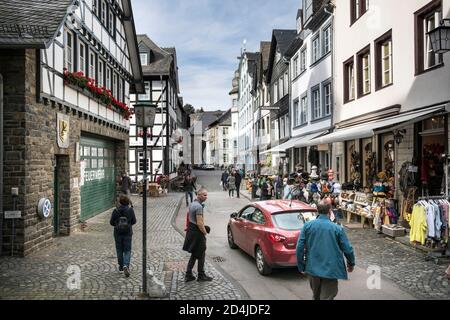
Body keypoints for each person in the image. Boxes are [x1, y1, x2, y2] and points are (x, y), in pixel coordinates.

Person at [296, 200, 355, 300]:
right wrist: (351, 263)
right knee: (327, 297)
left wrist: (301, 266)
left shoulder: (307, 226)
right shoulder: (337, 228)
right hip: (330, 269)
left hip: (312, 267)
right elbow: (348, 249)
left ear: (317, 211)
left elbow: (299, 248)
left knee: (316, 296)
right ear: (330, 211)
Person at [182, 188, 213, 282]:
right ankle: (201, 275)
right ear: (198, 195)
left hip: (192, 231)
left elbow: (191, 218)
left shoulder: (193, 204)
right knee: (201, 253)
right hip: (197, 233)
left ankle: (188, 274)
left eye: (206, 195)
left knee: (195, 254)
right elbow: (199, 223)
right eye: (204, 195)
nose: (206, 197)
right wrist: (204, 232)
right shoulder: (198, 207)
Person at [110, 195, 137, 278]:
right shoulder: (130, 210)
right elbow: (134, 221)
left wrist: (117, 224)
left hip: (117, 233)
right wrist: (128, 224)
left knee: (119, 250)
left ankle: (121, 267)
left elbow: (111, 222)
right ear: (127, 201)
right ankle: (126, 265)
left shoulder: (115, 211)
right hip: (128, 233)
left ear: (120, 202)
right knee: (127, 250)